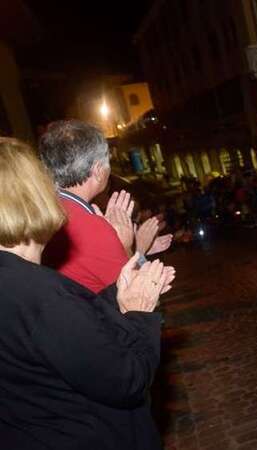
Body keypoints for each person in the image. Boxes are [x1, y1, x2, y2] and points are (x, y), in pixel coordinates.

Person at [0, 137, 175, 450]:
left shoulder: (21, 282)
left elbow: (72, 331)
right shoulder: (40, 294)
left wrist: (114, 296)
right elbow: (126, 380)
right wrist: (139, 313)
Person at [39, 120, 172, 294]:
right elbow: (139, 296)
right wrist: (133, 247)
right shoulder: (91, 228)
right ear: (98, 170)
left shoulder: (45, 209)